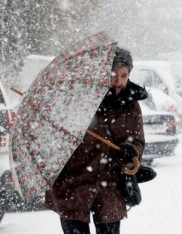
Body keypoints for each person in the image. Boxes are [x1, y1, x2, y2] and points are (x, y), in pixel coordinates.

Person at [45, 47, 148, 234]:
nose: (118, 81)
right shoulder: (80, 97)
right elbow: (60, 136)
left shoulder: (131, 104)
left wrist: (131, 150)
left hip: (110, 182)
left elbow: (138, 141)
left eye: (124, 76)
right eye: (113, 75)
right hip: (75, 179)